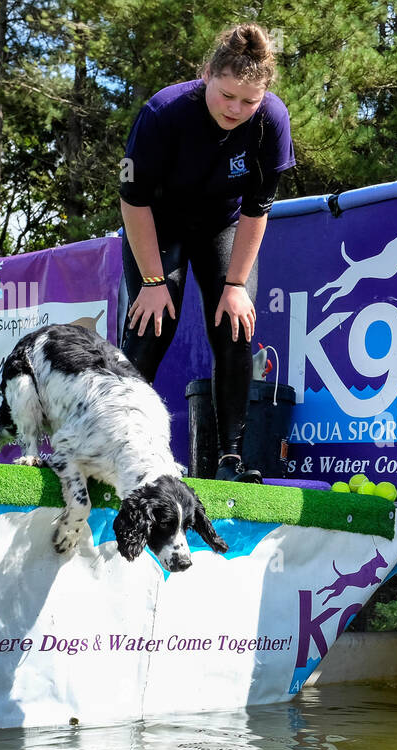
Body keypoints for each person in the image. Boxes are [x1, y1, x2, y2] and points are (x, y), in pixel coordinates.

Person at [118, 23, 295, 482]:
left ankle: (231, 459)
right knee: (152, 323)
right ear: (208, 75)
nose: (237, 109)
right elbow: (133, 202)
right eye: (227, 96)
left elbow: (258, 209)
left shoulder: (272, 121)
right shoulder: (163, 112)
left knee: (234, 326)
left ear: (264, 95)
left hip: (224, 224)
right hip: (160, 222)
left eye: (249, 101)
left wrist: (235, 285)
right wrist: (155, 283)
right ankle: (113, 442)